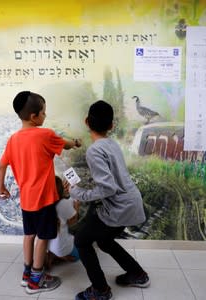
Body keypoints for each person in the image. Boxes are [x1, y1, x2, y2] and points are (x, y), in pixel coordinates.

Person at [0, 90, 81, 295]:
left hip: (26, 200)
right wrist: (76, 142)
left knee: (29, 235)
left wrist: (1, 188)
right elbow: (67, 145)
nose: (45, 116)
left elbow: (1, 166)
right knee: (43, 238)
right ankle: (36, 279)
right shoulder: (45, 134)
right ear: (34, 116)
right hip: (44, 200)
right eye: (43, 113)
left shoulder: (13, 139)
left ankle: (26, 273)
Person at [68, 100, 150, 300]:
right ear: (111, 126)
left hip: (119, 207)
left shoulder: (94, 150)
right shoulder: (112, 144)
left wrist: (78, 193)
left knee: (81, 240)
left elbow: (108, 187)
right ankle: (137, 274)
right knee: (104, 241)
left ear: (86, 122)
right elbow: (111, 179)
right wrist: (87, 186)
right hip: (131, 202)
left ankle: (100, 290)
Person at [45, 176, 80, 269]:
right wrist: (77, 205)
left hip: (46, 246)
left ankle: (52, 255)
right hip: (62, 247)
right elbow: (73, 221)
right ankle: (62, 256)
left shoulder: (42, 203)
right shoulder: (64, 203)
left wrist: (62, 193)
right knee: (77, 255)